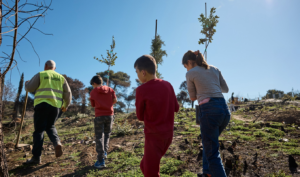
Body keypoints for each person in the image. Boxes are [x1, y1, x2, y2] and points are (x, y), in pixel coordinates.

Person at [182, 50, 230, 177]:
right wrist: (210, 84)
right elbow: (225, 89)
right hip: (224, 110)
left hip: (209, 112)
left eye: (185, 66)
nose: (186, 69)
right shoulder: (214, 69)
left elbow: (192, 97)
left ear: (188, 62)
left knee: (212, 153)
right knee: (208, 143)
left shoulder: (190, 74)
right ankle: (207, 173)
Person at [134, 55, 179, 177]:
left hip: (153, 136)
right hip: (168, 135)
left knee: (150, 172)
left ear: (143, 72)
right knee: (144, 165)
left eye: (136, 72)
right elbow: (176, 108)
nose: (136, 75)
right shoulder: (168, 85)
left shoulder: (141, 90)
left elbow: (140, 116)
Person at [25, 60, 72, 164]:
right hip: (56, 107)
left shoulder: (41, 74)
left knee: (39, 131)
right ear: (55, 68)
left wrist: (27, 84)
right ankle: (57, 142)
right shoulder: (61, 77)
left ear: (45, 66)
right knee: (50, 126)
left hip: (41, 105)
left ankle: (36, 158)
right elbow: (68, 93)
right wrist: (65, 106)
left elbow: (29, 88)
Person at [89, 75, 117, 168]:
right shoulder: (110, 89)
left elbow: (93, 105)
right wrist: (108, 103)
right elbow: (114, 100)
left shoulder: (93, 92)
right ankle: (105, 151)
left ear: (94, 83)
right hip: (110, 115)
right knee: (107, 134)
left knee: (99, 136)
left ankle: (100, 160)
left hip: (99, 116)